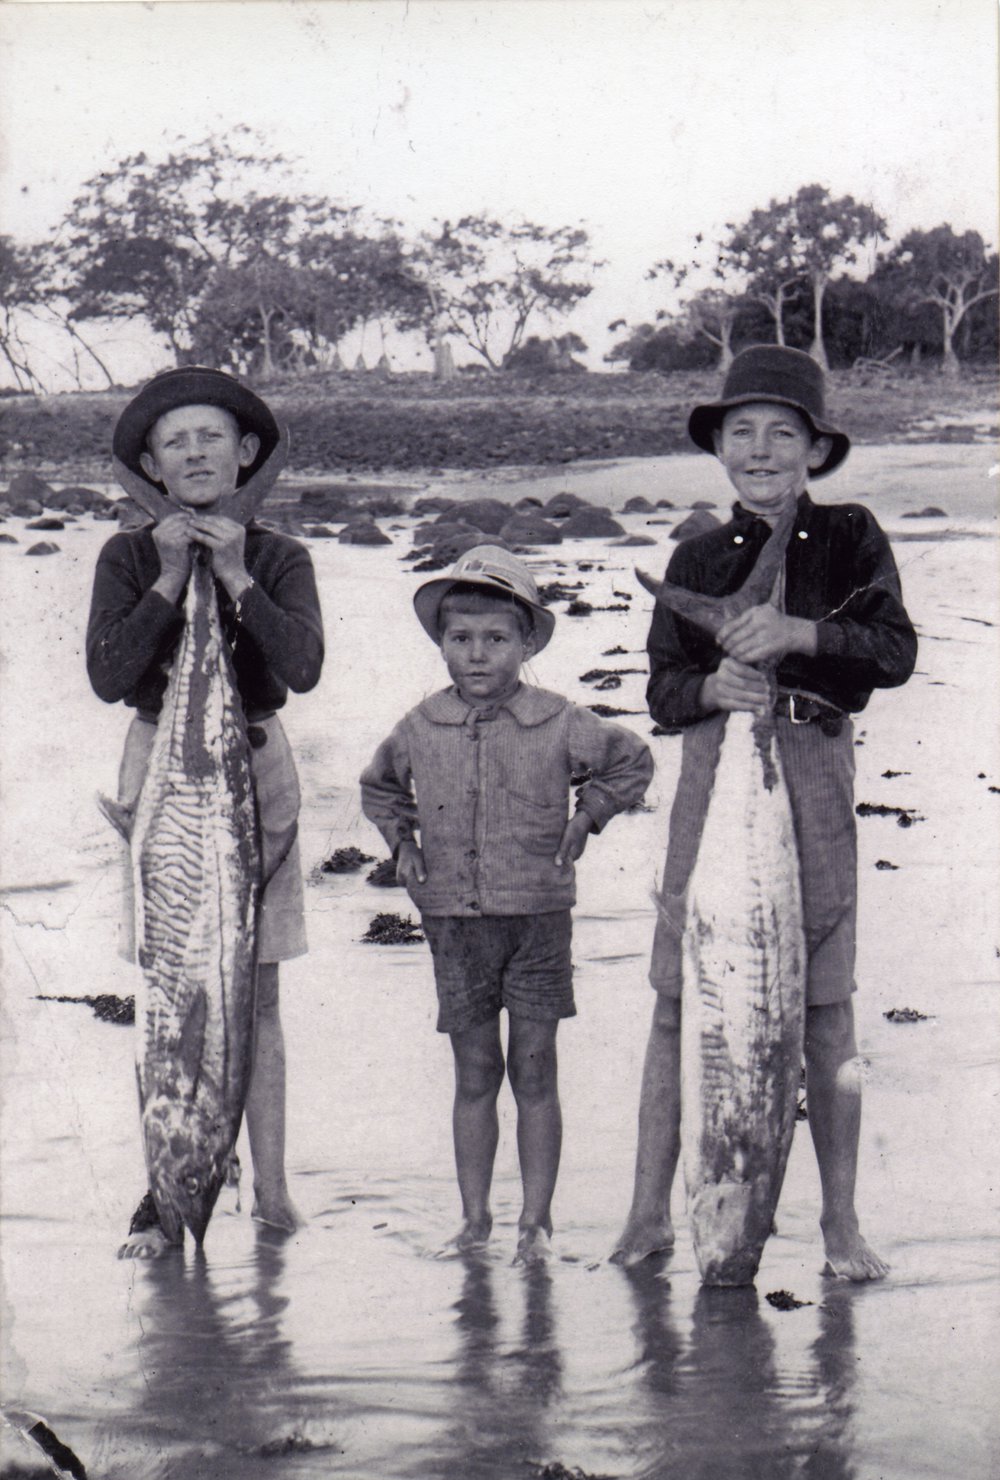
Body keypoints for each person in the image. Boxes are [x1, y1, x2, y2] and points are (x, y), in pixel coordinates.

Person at [611, 345, 917, 1280]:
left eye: (782, 433)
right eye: (741, 432)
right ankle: (646, 1218)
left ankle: (837, 1224)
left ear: (816, 449)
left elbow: (893, 651)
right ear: (719, 449)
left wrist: (799, 634)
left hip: (812, 762)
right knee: (677, 1007)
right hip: (717, 767)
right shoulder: (696, 555)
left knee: (824, 1015)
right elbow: (663, 691)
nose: (761, 449)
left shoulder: (854, 535)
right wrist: (716, 684)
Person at [86, 367, 324, 1259]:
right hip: (163, 772)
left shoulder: (279, 554)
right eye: (175, 441)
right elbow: (110, 678)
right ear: (150, 462)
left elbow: (301, 670)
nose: (194, 452)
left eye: (211, 437)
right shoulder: (125, 555)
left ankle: (271, 1187)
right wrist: (170, 575)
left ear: (246, 453)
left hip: (252, 769)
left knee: (252, 995)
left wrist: (232, 573)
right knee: (169, 990)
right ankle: (163, 1192)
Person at [360, 546, 654, 1263]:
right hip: (453, 924)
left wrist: (588, 819)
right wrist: (403, 845)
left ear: (526, 644)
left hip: (538, 920)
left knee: (534, 1068)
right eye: (460, 638)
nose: (477, 654)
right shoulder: (419, 724)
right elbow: (378, 787)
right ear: (441, 644)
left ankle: (537, 1223)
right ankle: (473, 1220)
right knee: (474, 1074)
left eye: (496, 639)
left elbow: (632, 760)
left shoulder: (560, 720)